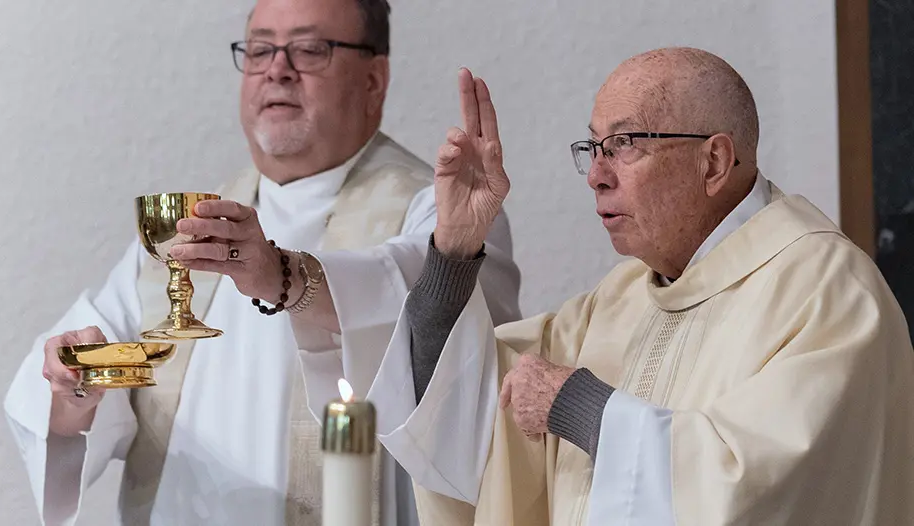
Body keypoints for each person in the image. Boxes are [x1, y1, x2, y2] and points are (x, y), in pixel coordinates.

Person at [3, 1, 521, 525]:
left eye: (310, 48)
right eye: (260, 49)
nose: (277, 68)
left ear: (373, 79)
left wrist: (284, 276)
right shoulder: (186, 230)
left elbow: (426, 304)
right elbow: (78, 382)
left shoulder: (450, 210)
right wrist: (76, 387)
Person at [367, 48, 914, 525]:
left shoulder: (828, 292)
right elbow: (467, 417)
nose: (596, 174)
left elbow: (763, 489)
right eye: (593, 146)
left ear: (715, 161)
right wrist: (456, 249)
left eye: (624, 144)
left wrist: (576, 405)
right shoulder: (621, 296)